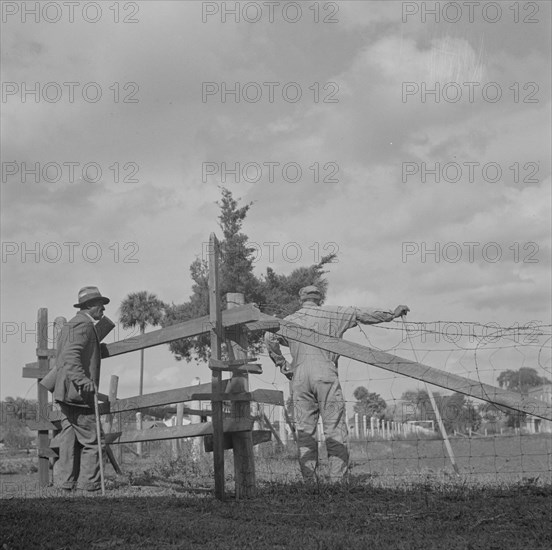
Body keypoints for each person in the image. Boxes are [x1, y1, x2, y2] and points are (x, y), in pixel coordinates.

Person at [264, 285, 409, 482]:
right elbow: (360, 313)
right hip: (325, 375)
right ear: (319, 299)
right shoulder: (333, 314)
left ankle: (309, 481)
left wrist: (284, 366)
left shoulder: (289, 321)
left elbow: (268, 336)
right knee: (334, 427)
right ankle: (337, 481)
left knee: (306, 430)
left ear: (301, 300)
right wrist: (391, 314)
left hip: (299, 379)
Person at [52, 286, 110, 491]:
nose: (103, 308)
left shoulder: (71, 325)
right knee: (94, 441)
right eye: (99, 304)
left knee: (68, 441)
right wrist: (84, 382)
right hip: (78, 394)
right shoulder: (83, 326)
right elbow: (70, 357)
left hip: (65, 393)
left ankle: (65, 485)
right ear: (89, 306)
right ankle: (90, 487)